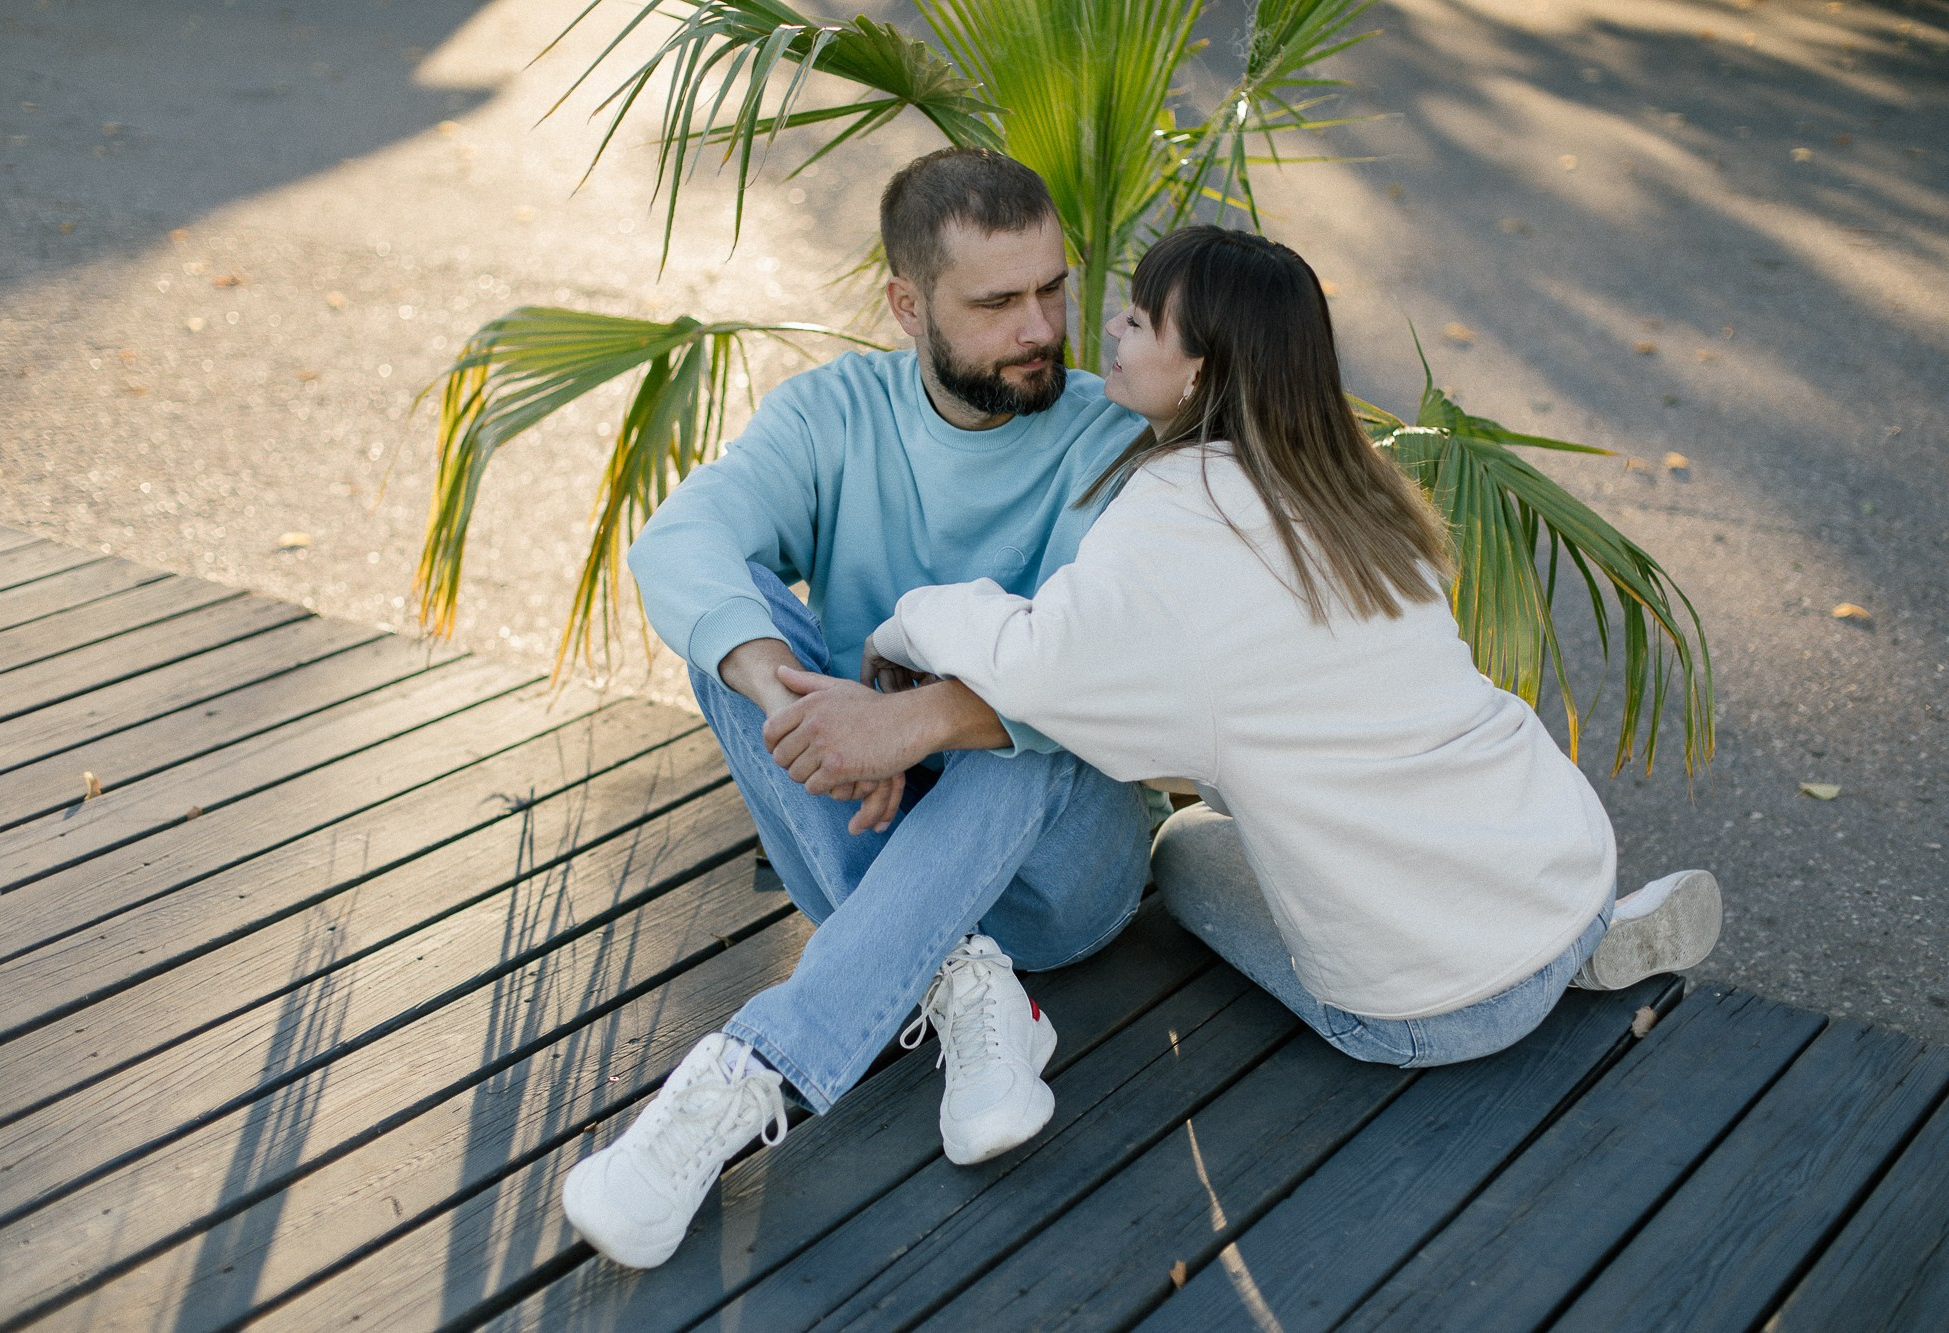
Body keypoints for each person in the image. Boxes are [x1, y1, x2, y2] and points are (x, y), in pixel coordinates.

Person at [803, 224, 1722, 1073]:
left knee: (1190, 844)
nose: (1111, 331)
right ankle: (1574, 950)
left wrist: (907, 619)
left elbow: (1040, 666)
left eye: (1138, 318)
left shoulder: (1174, 513)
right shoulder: (1356, 486)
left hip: (1431, 1012)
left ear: (1201, 373)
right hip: (1568, 868)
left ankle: (1509, 967)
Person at [560, 148, 1157, 1270]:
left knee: (1032, 712)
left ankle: (746, 1075)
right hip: (867, 837)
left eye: (1051, 288)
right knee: (733, 641)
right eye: (994, 302)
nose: (1037, 326)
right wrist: (785, 689)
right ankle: (962, 977)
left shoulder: (1108, 437)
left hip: (1062, 879)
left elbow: (1097, 666)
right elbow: (679, 542)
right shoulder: (830, 416)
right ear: (904, 304)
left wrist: (917, 721)